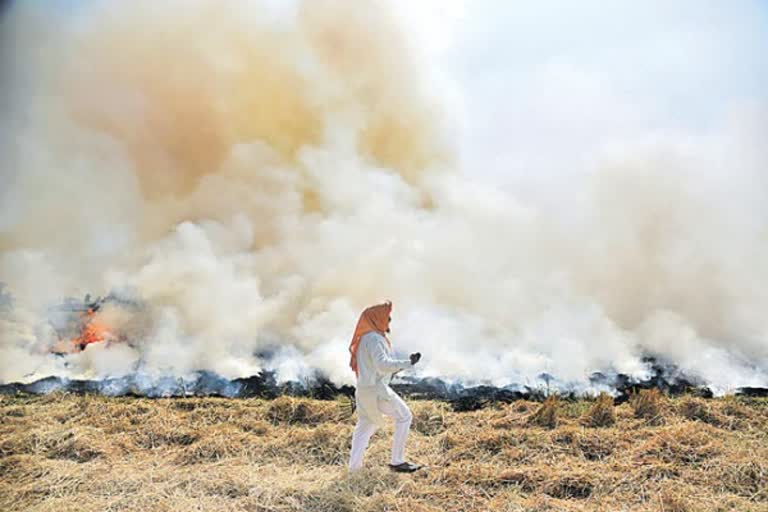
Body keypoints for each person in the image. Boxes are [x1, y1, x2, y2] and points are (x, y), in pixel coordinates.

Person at [347, 301, 422, 473]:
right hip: (377, 391)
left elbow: (374, 366)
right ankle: (397, 461)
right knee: (405, 416)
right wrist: (408, 363)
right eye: (387, 318)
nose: (388, 321)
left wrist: (399, 367)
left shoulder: (364, 339)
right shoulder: (375, 339)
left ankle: (354, 469)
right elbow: (382, 364)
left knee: (365, 425)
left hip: (364, 390)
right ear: (377, 318)